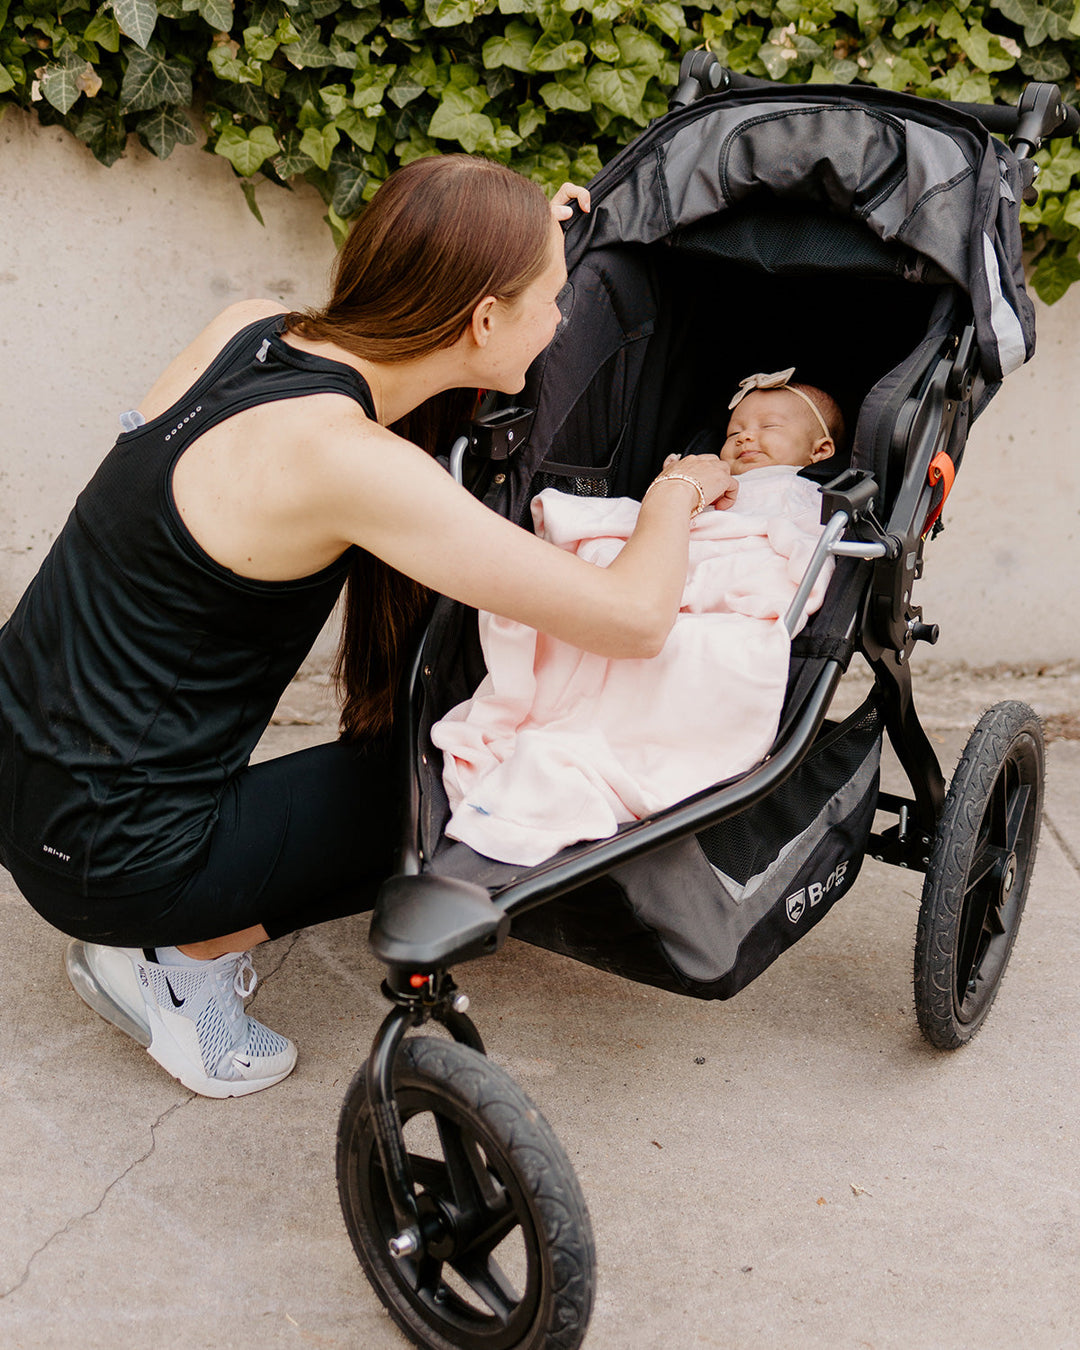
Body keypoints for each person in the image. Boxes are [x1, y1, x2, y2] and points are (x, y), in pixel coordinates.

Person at [0, 154, 736, 1098]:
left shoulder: (251, 329)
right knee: (487, 775)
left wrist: (518, 238)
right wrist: (680, 486)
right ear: (481, 319)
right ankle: (169, 963)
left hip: (23, 763)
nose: (560, 321)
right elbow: (635, 620)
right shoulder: (351, 465)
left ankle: (153, 921)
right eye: (550, 301)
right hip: (113, 863)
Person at [719, 367, 843, 475]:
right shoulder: (713, 482)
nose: (743, 436)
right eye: (733, 433)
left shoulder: (805, 491)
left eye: (769, 426)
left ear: (820, 451)